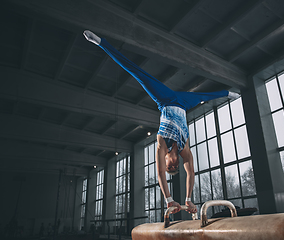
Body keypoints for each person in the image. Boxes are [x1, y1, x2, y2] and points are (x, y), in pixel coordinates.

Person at [84, 30, 240, 214]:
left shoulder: (161, 146)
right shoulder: (185, 150)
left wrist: (169, 199)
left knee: (138, 74)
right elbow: (191, 173)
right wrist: (188, 200)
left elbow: (159, 175)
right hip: (183, 104)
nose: (172, 165)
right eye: (175, 167)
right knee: (204, 96)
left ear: (166, 160)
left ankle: (101, 43)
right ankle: (228, 93)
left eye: (169, 166)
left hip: (165, 100)